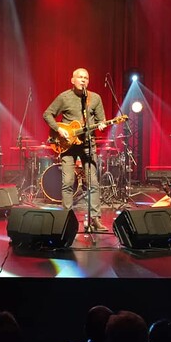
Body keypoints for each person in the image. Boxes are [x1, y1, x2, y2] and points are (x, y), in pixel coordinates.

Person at [43, 68, 108, 231]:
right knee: (67, 182)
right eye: (80, 77)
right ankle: (67, 219)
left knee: (93, 183)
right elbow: (47, 114)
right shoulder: (64, 97)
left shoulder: (95, 98)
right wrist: (59, 129)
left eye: (86, 77)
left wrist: (102, 124)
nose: (83, 80)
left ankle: (95, 219)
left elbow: (101, 120)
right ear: (72, 80)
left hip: (87, 144)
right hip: (67, 145)